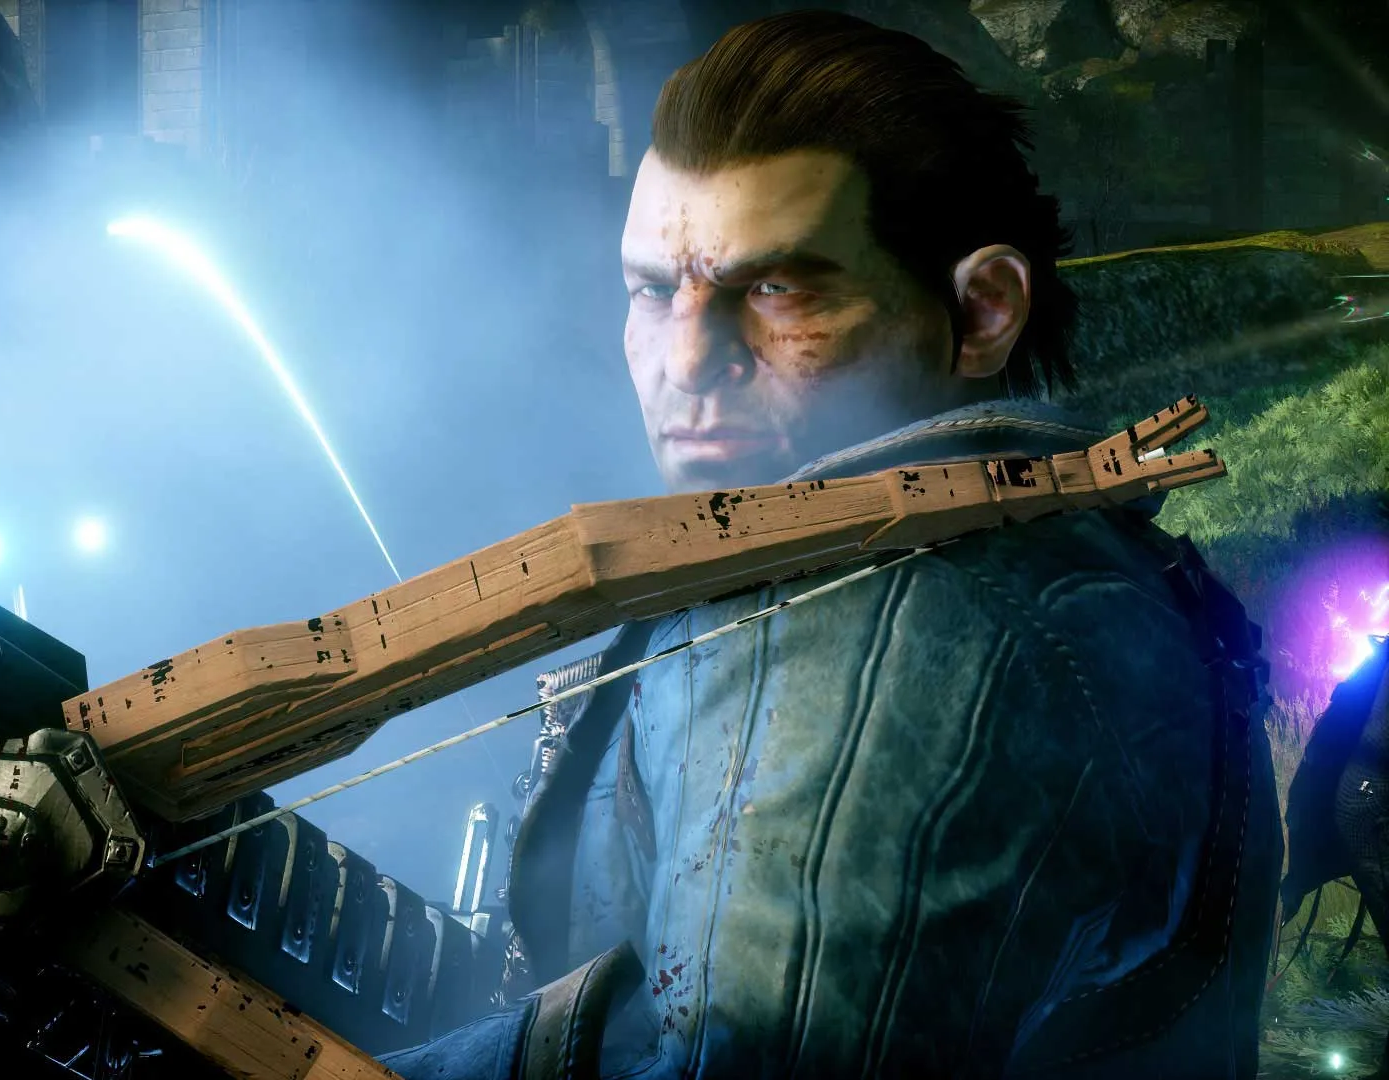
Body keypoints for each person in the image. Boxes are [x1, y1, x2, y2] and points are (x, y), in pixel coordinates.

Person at [380, 12, 1281, 1080]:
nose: (686, 360)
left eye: (777, 290)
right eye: (654, 289)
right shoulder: (995, 551)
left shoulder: (894, 624)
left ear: (982, 313)